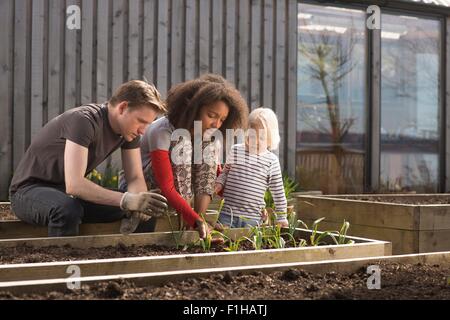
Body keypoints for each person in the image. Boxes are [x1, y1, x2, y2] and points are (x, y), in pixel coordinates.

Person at [9, 80, 169, 237]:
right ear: (123, 108)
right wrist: (128, 200)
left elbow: (134, 177)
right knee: (67, 210)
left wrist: (140, 203)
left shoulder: (128, 132)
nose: (143, 131)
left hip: (65, 195)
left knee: (149, 207)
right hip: (27, 191)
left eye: (148, 124)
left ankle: (131, 260)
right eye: (141, 121)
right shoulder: (84, 121)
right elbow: (75, 185)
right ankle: (65, 262)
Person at [124, 75, 249, 238]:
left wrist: (248, 203)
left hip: (180, 198)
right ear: (193, 108)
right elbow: (166, 185)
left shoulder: (209, 137)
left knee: (209, 147)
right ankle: (194, 222)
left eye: (222, 120)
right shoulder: (163, 130)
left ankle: (199, 223)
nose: (216, 125)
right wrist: (193, 219)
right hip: (146, 190)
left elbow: (215, 178)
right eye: (211, 115)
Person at [215, 107, 288, 228]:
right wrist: (219, 183)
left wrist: (282, 217)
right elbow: (225, 173)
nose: (256, 141)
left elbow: (278, 193)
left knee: (248, 244)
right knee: (223, 239)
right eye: (253, 136)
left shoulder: (271, 161)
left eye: (262, 138)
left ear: (271, 140)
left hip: (252, 218)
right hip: (227, 213)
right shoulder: (236, 150)